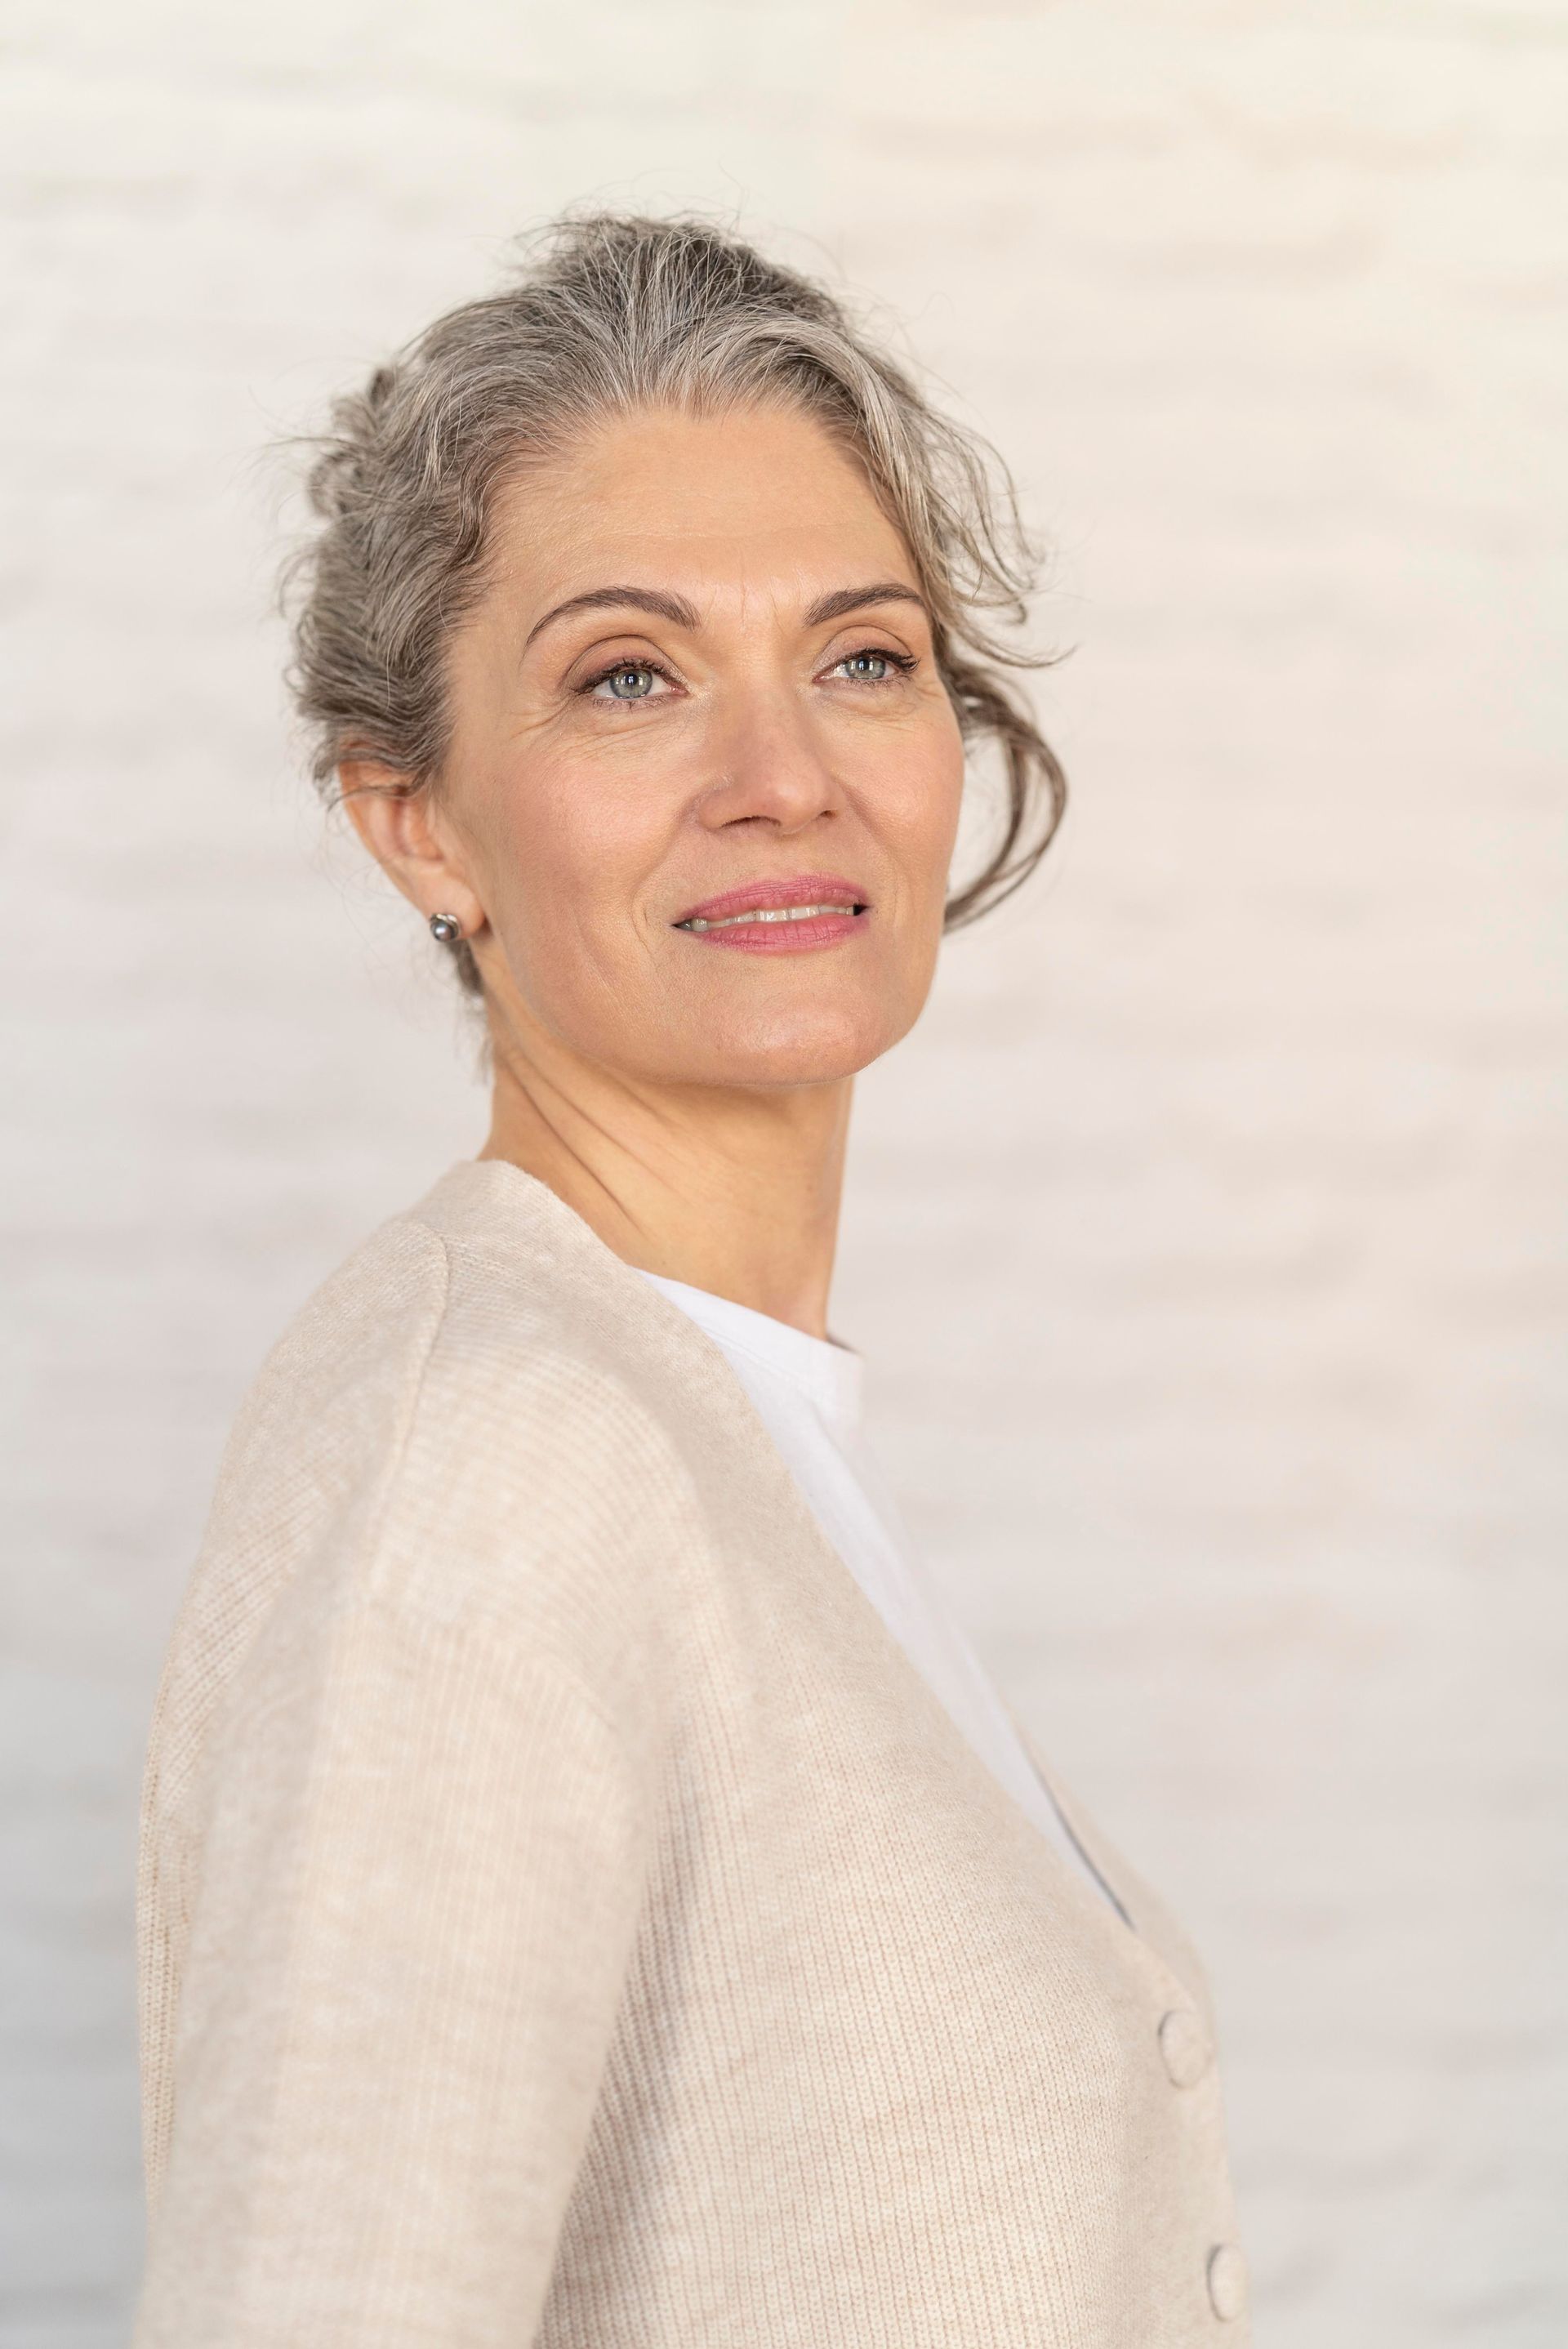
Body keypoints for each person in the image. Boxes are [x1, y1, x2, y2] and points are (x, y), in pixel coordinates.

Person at [131, 212, 1251, 2346]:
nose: (784, 777)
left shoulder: (713, 1421)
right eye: (628, 674)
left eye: (861, 655)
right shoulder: (499, 1461)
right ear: (419, 820)